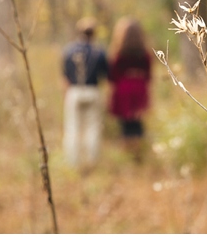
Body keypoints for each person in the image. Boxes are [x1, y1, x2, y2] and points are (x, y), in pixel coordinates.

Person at [61, 17, 108, 168]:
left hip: (74, 91)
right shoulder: (99, 52)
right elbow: (107, 76)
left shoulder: (68, 51)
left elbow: (65, 77)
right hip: (92, 91)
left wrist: (66, 95)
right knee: (93, 128)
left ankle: (72, 162)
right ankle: (92, 161)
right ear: (94, 33)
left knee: (72, 128)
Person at [107, 17, 152, 161]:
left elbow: (113, 76)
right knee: (138, 124)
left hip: (123, 91)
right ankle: (138, 155)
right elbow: (148, 76)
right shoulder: (145, 54)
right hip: (140, 90)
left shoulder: (118, 53)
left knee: (126, 125)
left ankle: (128, 154)